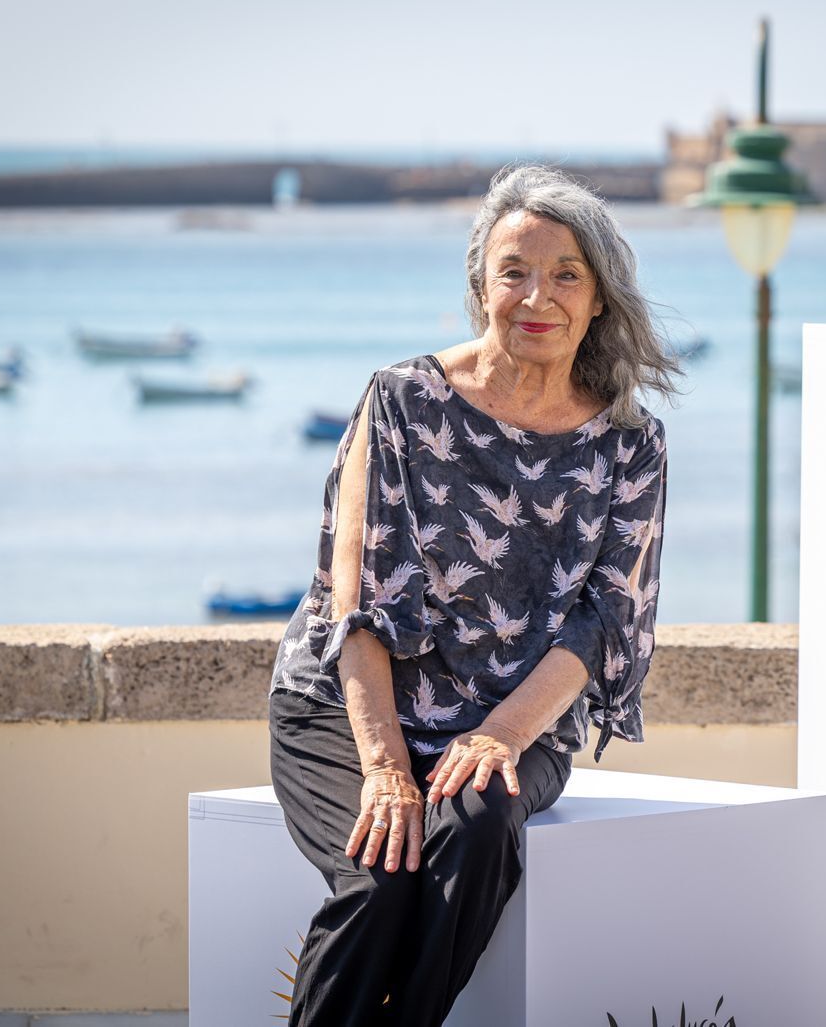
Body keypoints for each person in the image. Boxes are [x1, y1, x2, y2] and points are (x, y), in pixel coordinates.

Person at [267, 164, 677, 1026]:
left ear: (599, 298)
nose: (539, 295)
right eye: (514, 271)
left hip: (513, 718)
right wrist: (385, 767)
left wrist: (497, 734)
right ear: (479, 285)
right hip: (349, 704)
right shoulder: (401, 403)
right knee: (380, 874)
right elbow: (362, 603)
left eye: (567, 274)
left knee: (478, 827)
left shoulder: (631, 446)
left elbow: (603, 621)